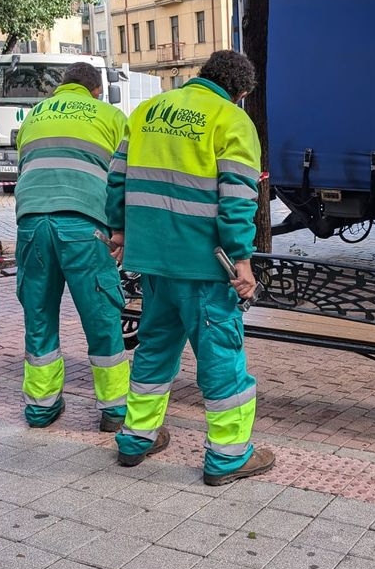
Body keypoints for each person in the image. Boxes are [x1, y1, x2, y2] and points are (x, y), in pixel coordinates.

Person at [108, 50, 274, 486]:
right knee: (221, 356)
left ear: (203, 75)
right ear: (239, 93)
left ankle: (135, 438)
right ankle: (228, 456)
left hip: (153, 262)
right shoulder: (231, 120)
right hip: (203, 266)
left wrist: (120, 233)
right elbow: (237, 200)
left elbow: (118, 177)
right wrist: (241, 259)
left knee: (154, 349)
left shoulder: (146, 111)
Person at [14, 61, 130, 430]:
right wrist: (121, 230)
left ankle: (41, 407)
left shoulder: (34, 115)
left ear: (62, 88)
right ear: (95, 90)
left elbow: (26, 167)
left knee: (39, 313)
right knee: (101, 316)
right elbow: (123, 177)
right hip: (84, 224)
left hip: (31, 222)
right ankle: (114, 411)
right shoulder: (109, 115)